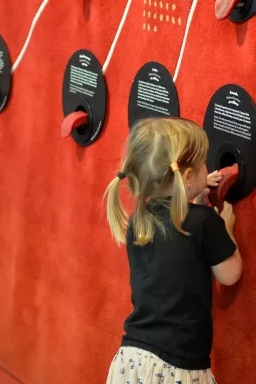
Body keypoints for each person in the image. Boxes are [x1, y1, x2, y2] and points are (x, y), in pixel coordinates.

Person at [104, 117, 243, 383]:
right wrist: (226, 230)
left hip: (132, 359)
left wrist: (196, 198)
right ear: (187, 177)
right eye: (203, 162)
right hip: (177, 366)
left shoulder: (139, 219)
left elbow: (175, 235)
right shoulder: (204, 221)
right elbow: (230, 274)